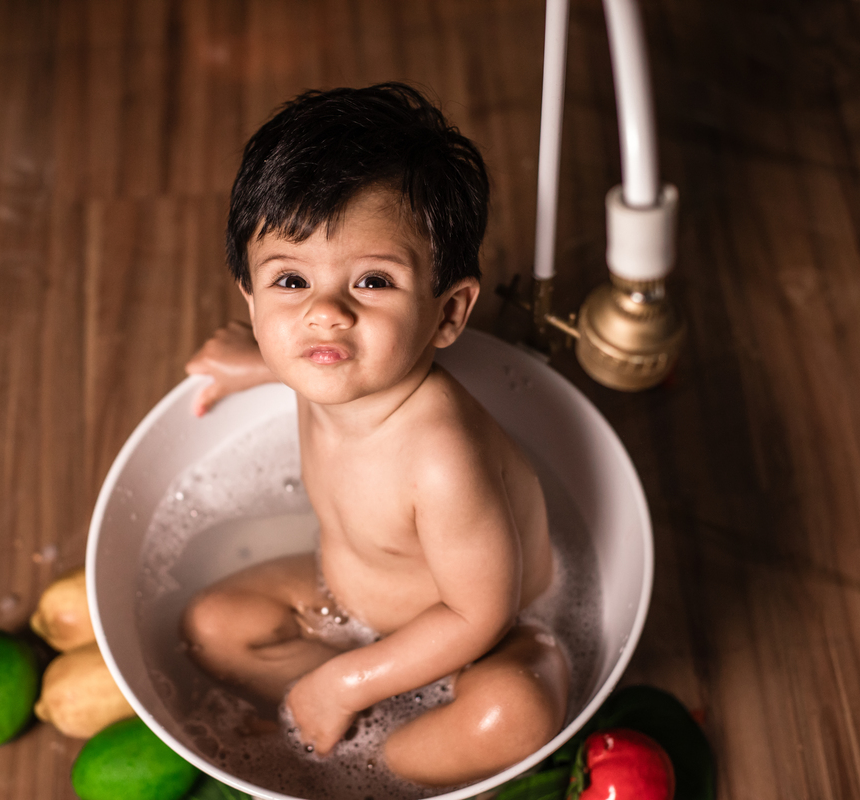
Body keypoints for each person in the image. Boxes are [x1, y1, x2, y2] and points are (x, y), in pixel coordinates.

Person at [180, 83, 569, 787]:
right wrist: (255, 361)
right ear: (252, 298)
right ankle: (346, 716)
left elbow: (476, 612)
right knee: (213, 621)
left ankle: (384, 761)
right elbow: (309, 353)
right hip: (352, 603)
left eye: (372, 283)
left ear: (448, 313)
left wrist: (347, 682)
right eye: (291, 281)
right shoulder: (322, 364)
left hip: (486, 640)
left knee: (514, 712)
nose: (324, 315)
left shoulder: (441, 454)